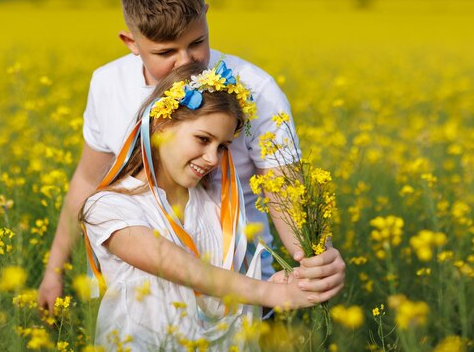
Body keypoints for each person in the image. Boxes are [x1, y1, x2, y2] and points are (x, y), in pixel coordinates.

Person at [38, 0, 345, 314]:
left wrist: (312, 259)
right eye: (165, 52)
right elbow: (88, 179)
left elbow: (284, 192)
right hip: (137, 304)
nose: (185, 61)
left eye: (197, 42)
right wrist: (53, 271)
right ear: (130, 42)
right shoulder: (107, 85)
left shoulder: (257, 89)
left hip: (243, 296)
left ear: (207, 16)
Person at [82, 62, 322, 350]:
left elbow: (222, 293)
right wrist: (269, 293)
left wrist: (278, 288)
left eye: (222, 146)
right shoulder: (109, 206)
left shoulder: (211, 206)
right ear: (161, 125)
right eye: (203, 139)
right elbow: (180, 267)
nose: (212, 158)